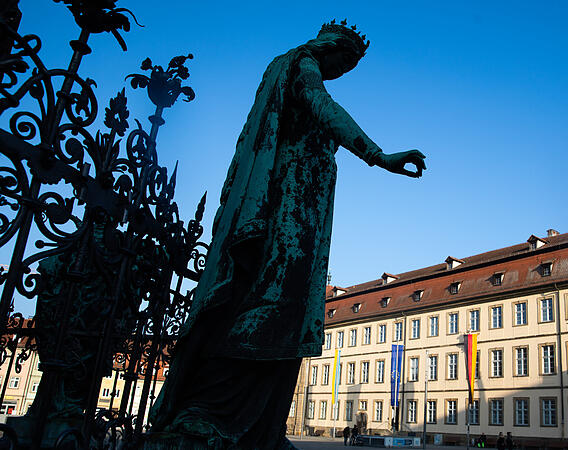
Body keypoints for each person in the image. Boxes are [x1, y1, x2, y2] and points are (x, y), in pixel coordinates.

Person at [147, 20, 426, 449]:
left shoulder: (294, 68)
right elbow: (324, 107)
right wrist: (377, 155)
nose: (340, 72)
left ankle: (263, 426)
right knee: (272, 300)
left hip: (302, 211)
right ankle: (211, 413)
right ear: (329, 48)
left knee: (292, 309)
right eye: (343, 63)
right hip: (286, 208)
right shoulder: (302, 63)